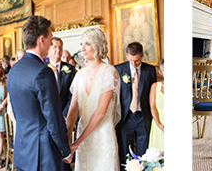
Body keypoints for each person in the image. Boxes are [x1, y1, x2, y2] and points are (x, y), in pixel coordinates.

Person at [6, 16, 72, 170]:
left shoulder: (14, 70)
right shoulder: (43, 72)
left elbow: (17, 112)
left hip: (22, 149)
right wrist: (65, 150)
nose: (50, 44)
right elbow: (53, 118)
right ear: (41, 40)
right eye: (50, 39)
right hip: (43, 154)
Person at [65, 28, 120, 170]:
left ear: (97, 46)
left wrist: (77, 142)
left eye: (87, 44)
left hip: (103, 136)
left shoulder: (109, 71)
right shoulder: (79, 75)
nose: (82, 48)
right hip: (82, 138)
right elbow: (72, 111)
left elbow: (101, 112)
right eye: (81, 43)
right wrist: (67, 143)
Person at [115, 42, 157, 164]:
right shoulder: (118, 69)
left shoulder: (150, 70)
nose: (133, 64)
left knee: (144, 152)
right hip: (125, 116)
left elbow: (152, 94)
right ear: (127, 55)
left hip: (143, 115)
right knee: (124, 152)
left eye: (137, 61)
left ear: (142, 55)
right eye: (131, 60)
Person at [45, 37, 76, 119]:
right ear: (49, 49)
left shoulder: (70, 69)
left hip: (64, 115)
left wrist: (65, 114)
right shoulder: (42, 68)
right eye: (54, 47)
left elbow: (72, 94)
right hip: (46, 116)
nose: (58, 50)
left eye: (60, 47)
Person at [148, 59, 164, 151]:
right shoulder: (155, 86)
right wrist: (158, 123)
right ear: (160, 72)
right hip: (158, 122)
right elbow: (152, 106)